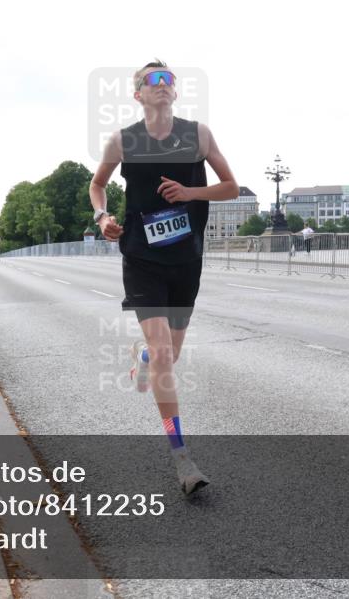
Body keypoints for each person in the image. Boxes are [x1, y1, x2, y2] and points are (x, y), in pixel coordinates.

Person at [90, 59, 239, 496]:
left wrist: (190, 192)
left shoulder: (198, 135)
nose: (161, 84)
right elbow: (97, 185)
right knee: (162, 353)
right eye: (151, 80)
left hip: (186, 258)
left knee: (166, 356)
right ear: (138, 94)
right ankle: (181, 456)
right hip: (141, 256)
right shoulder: (123, 140)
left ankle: (143, 357)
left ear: (175, 91)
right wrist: (103, 218)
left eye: (168, 78)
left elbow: (231, 186)